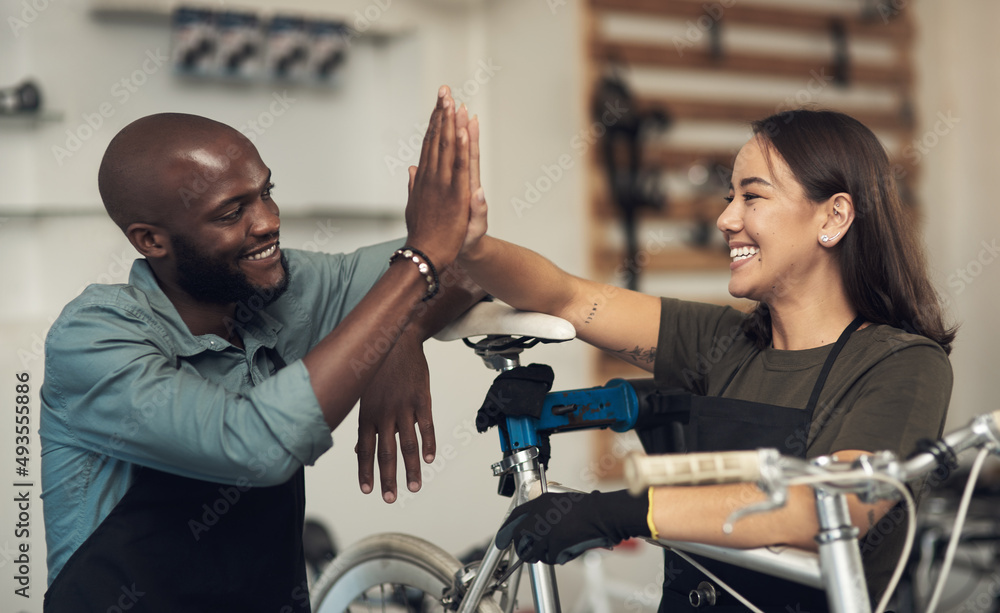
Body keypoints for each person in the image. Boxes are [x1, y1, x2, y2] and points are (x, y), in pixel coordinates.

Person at [457, 109, 955, 611]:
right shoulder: (721, 342)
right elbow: (563, 297)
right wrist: (471, 247)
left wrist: (626, 510)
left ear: (833, 216)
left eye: (753, 196)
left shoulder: (903, 364)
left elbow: (833, 508)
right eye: (729, 198)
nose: (726, 219)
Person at [39, 86, 483, 611]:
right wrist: (417, 266)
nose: (268, 221)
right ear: (150, 241)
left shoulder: (275, 289)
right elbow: (254, 447)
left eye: (266, 192)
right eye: (231, 213)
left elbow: (469, 261)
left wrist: (401, 336)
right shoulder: (93, 336)